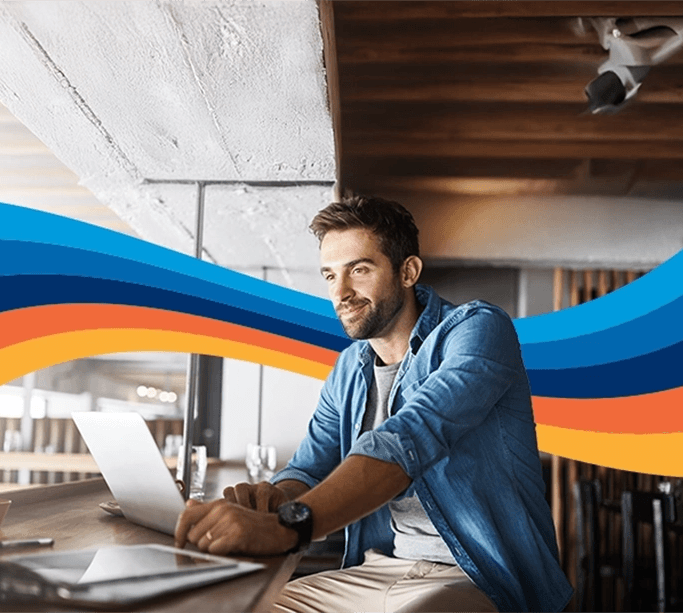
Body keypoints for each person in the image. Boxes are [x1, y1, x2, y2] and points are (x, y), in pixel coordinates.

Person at [175, 195, 573, 612]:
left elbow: (409, 437)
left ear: (408, 271)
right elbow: (308, 469)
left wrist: (288, 526)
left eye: (359, 270)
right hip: (381, 568)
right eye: (330, 275)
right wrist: (265, 502)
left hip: (480, 576)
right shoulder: (349, 367)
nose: (341, 292)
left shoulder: (479, 329)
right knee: (236, 607)